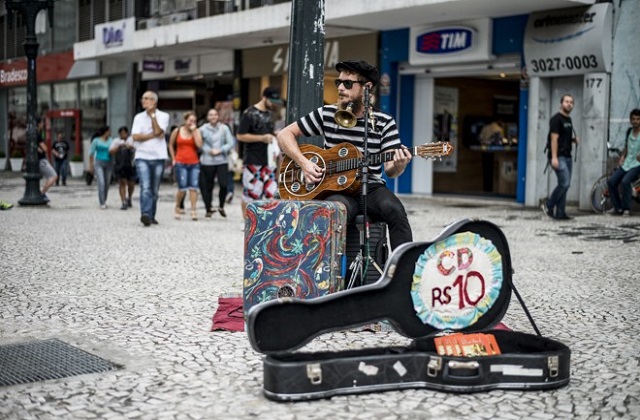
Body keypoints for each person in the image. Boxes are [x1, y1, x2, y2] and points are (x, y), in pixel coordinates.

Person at [276, 59, 413, 250]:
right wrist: (304, 163)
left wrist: (399, 164)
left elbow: (390, 171)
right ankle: (327, 275)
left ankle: (403, 274)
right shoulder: (327, 114)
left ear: (367, 87)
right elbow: (284, 135)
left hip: (370, 187)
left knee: (396, 211)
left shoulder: (384, 122)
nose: (340, 87)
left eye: (347, 84)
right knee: (331, 213)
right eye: (338, 82)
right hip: (334, 187)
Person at [236, 87, 282, 220]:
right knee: (251, 193)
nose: (274, 104)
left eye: (276, 101)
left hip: (269, 160)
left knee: (271, 193)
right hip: (252, 160)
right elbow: (240, 135)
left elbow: (266, 133)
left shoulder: (269, 114)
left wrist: (274, 135)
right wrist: (262, 138)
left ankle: (264, 222)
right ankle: (247, 222)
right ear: (264, 98)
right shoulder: (249, 113)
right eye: (272, 101)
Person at [131, 91, 170, 227]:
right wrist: (152, 135)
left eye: (147, 99)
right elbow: (135, 137)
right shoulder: (138, 117)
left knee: (154, 189)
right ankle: (145, 214)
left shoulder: (164, 116)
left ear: (154, 102)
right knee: (145, 187)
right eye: (143, 98)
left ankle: (152, 216)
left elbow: (159, 132)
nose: (144, 101)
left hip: (159, 156)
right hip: (142, 156)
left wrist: (153, 116)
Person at [542, 94, 579, 220]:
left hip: (568, 156)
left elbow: (564, 138)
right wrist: (554, 157)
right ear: (561, 103)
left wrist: (573, 140)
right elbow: (554, 139)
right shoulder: (556, 119)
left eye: (571, 102)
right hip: (559, 156)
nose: (569, 104)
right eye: (566, 101)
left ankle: (560, 213)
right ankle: (549, 205)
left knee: (565, 184)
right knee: (564, 183)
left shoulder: (568, 120)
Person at [199, 108, 235, 218]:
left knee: (224, 184)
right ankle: (208, 207)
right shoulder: (202, 129)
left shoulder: (224, 128)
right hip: (207, 161)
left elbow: (231, 142)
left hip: (222, 160)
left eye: (215, 115)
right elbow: (199, 143)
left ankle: (221, 206)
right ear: (207, 117)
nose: (213, 117)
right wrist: (208, 150)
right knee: (207, 186)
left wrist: (221, 150)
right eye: (211, 115)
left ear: (218, 116)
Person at [168, 111, 203, 221]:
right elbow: (171, 144)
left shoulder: (196, 131)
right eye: (190, 120)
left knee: (194, 188)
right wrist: (173, 158)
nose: (192, 123)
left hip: (194, 162)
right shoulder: (177, 131)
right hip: (180, 162)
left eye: (194, 121)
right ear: (185, 120)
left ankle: (193, 210)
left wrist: (195, 132)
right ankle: (178, 207)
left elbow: (199, 145)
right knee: (182, 188)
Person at [606, 108, 640, 216]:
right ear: (630, 120)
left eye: (638, 119)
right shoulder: (629, 131)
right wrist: (622, 157)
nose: (635, 121)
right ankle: (618, 207)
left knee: (625, 181)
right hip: (627, 162)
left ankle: (626, 208)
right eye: (633, 119)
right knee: (611, 181)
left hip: (637, 164)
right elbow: (626, 146)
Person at [109, 126, 137, 210]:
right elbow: (110, 151)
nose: (123, 135)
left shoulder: (131, 140)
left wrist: (129, 146)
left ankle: (129, 197)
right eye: (121, 134)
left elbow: (136, 148)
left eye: (124, 133)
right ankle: (123, 201)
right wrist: (119, 146)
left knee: (131, 184)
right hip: (120, 165)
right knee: (122, 183)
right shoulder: (116, 141)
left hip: (131, 165)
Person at [88, 126, 114, 209]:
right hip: (99, 162)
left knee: (107, 183)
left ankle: (104, 199)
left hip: (109, 163)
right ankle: (102, 202)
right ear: (105, 132)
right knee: (101, 182)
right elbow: (91, 153)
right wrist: (91, 166)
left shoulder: (111, 140)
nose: (110, 133)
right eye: (109, 131)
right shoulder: (96, 140)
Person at [36, 119, 58, 203]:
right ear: (38, 124)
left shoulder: (34, 135)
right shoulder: (38, 135)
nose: (43, 124)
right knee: (54, 176)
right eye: (41, 123)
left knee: (49, 177)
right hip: (41, 160)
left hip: (38, 161)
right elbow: (45, 149)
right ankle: (42, 193)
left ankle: (42, 193)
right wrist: (41, 148)